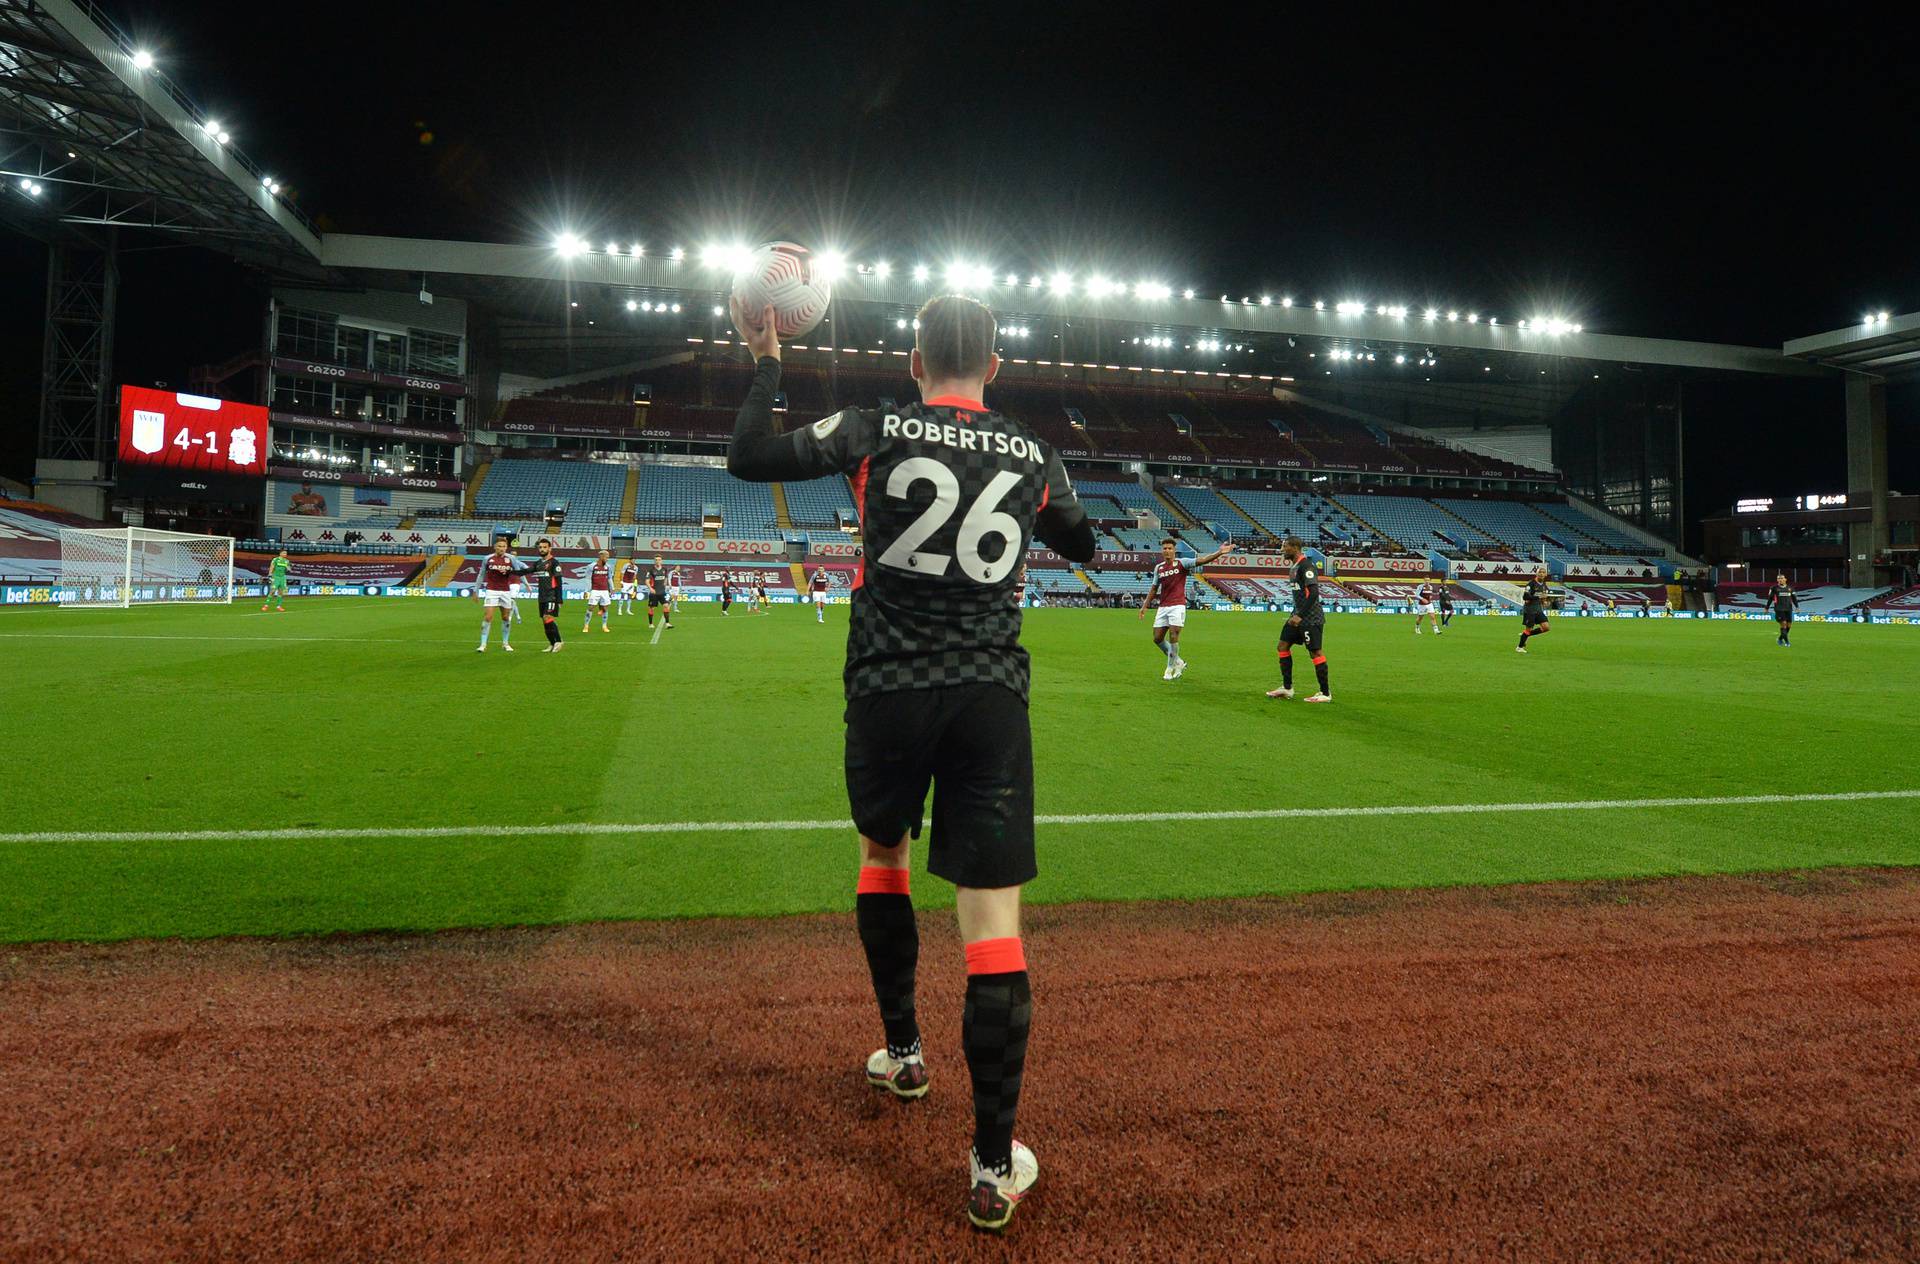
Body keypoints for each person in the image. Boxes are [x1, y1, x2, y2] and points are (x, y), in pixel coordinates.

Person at [727, 292, 1096, 1233]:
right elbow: (1083, 540)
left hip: (885, 687)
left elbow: (747, 457)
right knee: (994, 929)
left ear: (913, 361)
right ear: (999, 367)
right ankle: (988, 1164)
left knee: (883, 858)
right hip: (987, 698)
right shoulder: (1034, 453)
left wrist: (769, 361)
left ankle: (903, 1053)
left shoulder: (869, 427)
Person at [1137, 537, 1232, 680]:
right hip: (1163, 606)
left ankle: (1169, 668)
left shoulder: (1182, 563)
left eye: (1170, 548)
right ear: (1162, 551)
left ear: (1174, 550)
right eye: (1165, 548)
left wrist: (1219, 553)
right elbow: (1154, 588)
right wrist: (1145, 606)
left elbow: (1202, 560)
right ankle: (1179, 662)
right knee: (1157, 638)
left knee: (1174, 636)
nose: (1167, 551)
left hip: (1177, 605)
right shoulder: (1159, 568)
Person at [1266, 535, 1331, 702]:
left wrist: (1300, 615)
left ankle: (1325, 693)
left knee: (1315, 652)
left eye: (1285, 547)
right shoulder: (1294, 567)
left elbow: (1314, 593)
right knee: (1282, 646)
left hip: (1310, 618)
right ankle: (1287, 688)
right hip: (1296, 616)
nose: (1282, 550)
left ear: (1295, 547)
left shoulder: (1306, 566)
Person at [474, 538, 527, 652]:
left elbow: (519, 572)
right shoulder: (487, 559)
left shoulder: (511, 558)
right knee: (488, 617)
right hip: (491, 590)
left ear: (506, 547)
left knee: (505, 617)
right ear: (495, 547)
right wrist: (476, 590)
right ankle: (483, 645)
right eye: (499, 546)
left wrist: (526, 583)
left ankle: (505, 643)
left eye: (503, 546)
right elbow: (481, 574)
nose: (501, 548)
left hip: (505, 591)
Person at [527, 537, 566, 652]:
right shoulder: (538, 563)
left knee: (547, 617)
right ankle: (552, 643)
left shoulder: (554, 563)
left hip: (552, 595)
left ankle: (559, 641)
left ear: (550, 548)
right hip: (542, 596)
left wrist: (559, 599)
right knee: (544, 621)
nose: (542, 549)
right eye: (540, 547)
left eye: (544, 547)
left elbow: (559, 582)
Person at [1517, 568, 1552, 653]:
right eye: (1540, 572)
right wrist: (1538, 597)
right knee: (1528, 629)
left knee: (1546, 627)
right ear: (1536, 574)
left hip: (1538, 609)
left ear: (1546, 575)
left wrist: (1545, 601)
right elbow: (1525, 597)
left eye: (1543, 572)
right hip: (1530, 610)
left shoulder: (1544, 584)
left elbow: (1544, 596)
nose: (1541, 574)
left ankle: (1525, 635)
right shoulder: (1531, 584)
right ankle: (1519, 647)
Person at [584, 549, 614, 633]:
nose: (607, 559)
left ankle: (604, 626)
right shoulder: (591, 566)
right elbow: (588, 579)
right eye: (606, 557)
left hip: (605, 590)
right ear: (601, 556)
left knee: (605, 608)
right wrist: (587, 591)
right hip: (595, 590)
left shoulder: (608, 567)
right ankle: (586, 625)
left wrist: (612, 588)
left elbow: (610, 578)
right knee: (591, 607)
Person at [1769, 572, 1800, 646]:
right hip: (1779, 609)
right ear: (1777, 580)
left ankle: (1780, 639)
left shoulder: (1791, 588)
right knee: (1784, 624)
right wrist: (1766, 608)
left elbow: (1794, 598)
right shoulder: (1774, 588)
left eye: (1782, 578)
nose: (1780, 580)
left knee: (1789, 626)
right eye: (1778, 578)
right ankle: (1787, 642)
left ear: (1785, 579)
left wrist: (1797, 607)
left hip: (1788, 609)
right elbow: (1770, 598)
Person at [644, 554, 673, 630]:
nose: (657, 561)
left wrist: (665, 584)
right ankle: (650, 623)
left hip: (662, 592)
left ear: (661, 561)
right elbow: (647, 581)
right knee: (652, 608)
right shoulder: (651, 570)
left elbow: (666, 577)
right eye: (656, 560)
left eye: (659, 560)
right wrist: (650, 588)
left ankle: (667, 623)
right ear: (654, 561)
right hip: (654, 593)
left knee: (666, 605)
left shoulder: (664, 569)